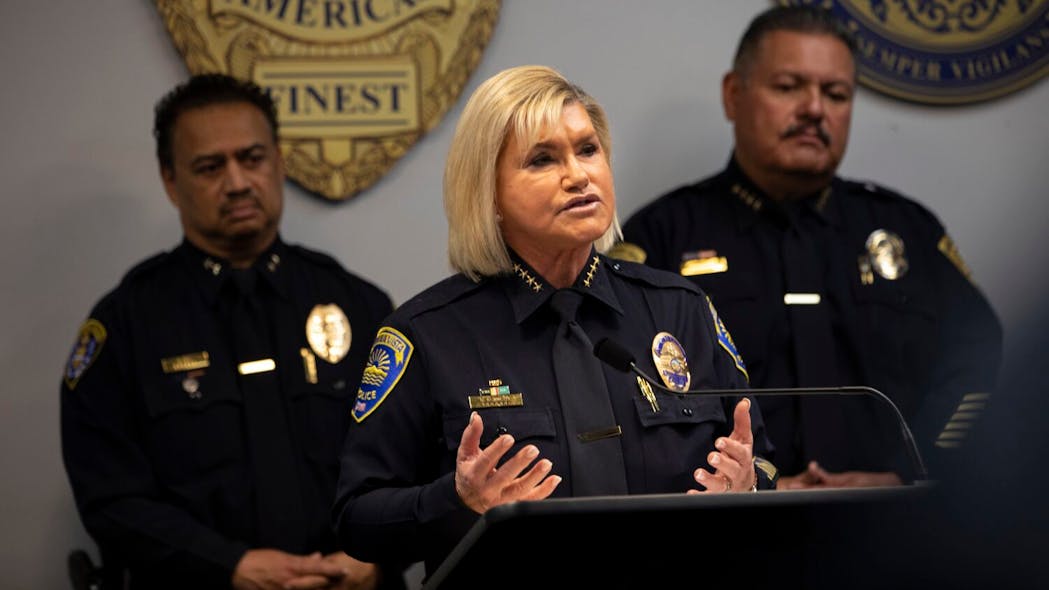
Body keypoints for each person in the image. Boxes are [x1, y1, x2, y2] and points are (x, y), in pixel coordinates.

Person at [331, 65, 779, 580]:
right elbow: (357, 519)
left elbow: (763, 461)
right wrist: (457, 500)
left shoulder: (682, 308)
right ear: (488, 193)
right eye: (542, 159)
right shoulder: (425, 335)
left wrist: (746, 487)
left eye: (588, 150)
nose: (579, 175)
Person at [617, 6, 1003, 488]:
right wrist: (747, 482)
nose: (815, 109)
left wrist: (913, 471)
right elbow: (625, 394)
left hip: (895, 519)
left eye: (836, 94)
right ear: (733, 95)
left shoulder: (909, 232)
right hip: (726, 522)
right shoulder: (662, 236)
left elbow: (979, 362)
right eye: (788, 87)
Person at [60, 74, 402, 590]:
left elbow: (414, 461)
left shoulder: (360, 306)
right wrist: (228, 566)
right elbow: (110, 498)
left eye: (252, 158)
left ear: (279, 162)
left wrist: (376, 557)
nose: (238, 182)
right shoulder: (125, 326)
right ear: (170, 180)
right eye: (210, 167)